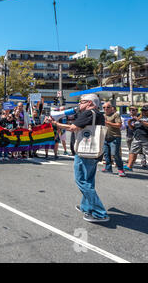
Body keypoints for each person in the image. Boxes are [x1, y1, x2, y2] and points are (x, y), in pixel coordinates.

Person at [52, 93, 110, 223]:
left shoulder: (89, 113)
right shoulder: (98, 114)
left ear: (90, 103)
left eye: (82, 101)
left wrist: (57, 124)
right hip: (94, 152)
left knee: (81, 180)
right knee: (88, 180)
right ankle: (86, 206)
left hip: (85, 152)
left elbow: (73, 128)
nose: (79, 104)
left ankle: (99, 212)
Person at [124, 104, 148, 177]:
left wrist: (142, 122)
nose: (143, 112)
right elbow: (133, 128)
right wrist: (129, 123)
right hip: (137, 137)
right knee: (133, 152)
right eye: (142, 110)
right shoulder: (139, 116)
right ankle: (129, 166)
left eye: (145, 110)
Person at [101, 102, 125, 177]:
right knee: (106, 154)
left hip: (115, 136)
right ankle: (108, 168)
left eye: (108, 107)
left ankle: (120, 169)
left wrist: (107, 122)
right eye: (104, 107)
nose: (106, 109)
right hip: (105, 137)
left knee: (115, 154)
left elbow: (119, 125)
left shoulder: (115, 115)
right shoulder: (103, 116)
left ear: (111, 108)